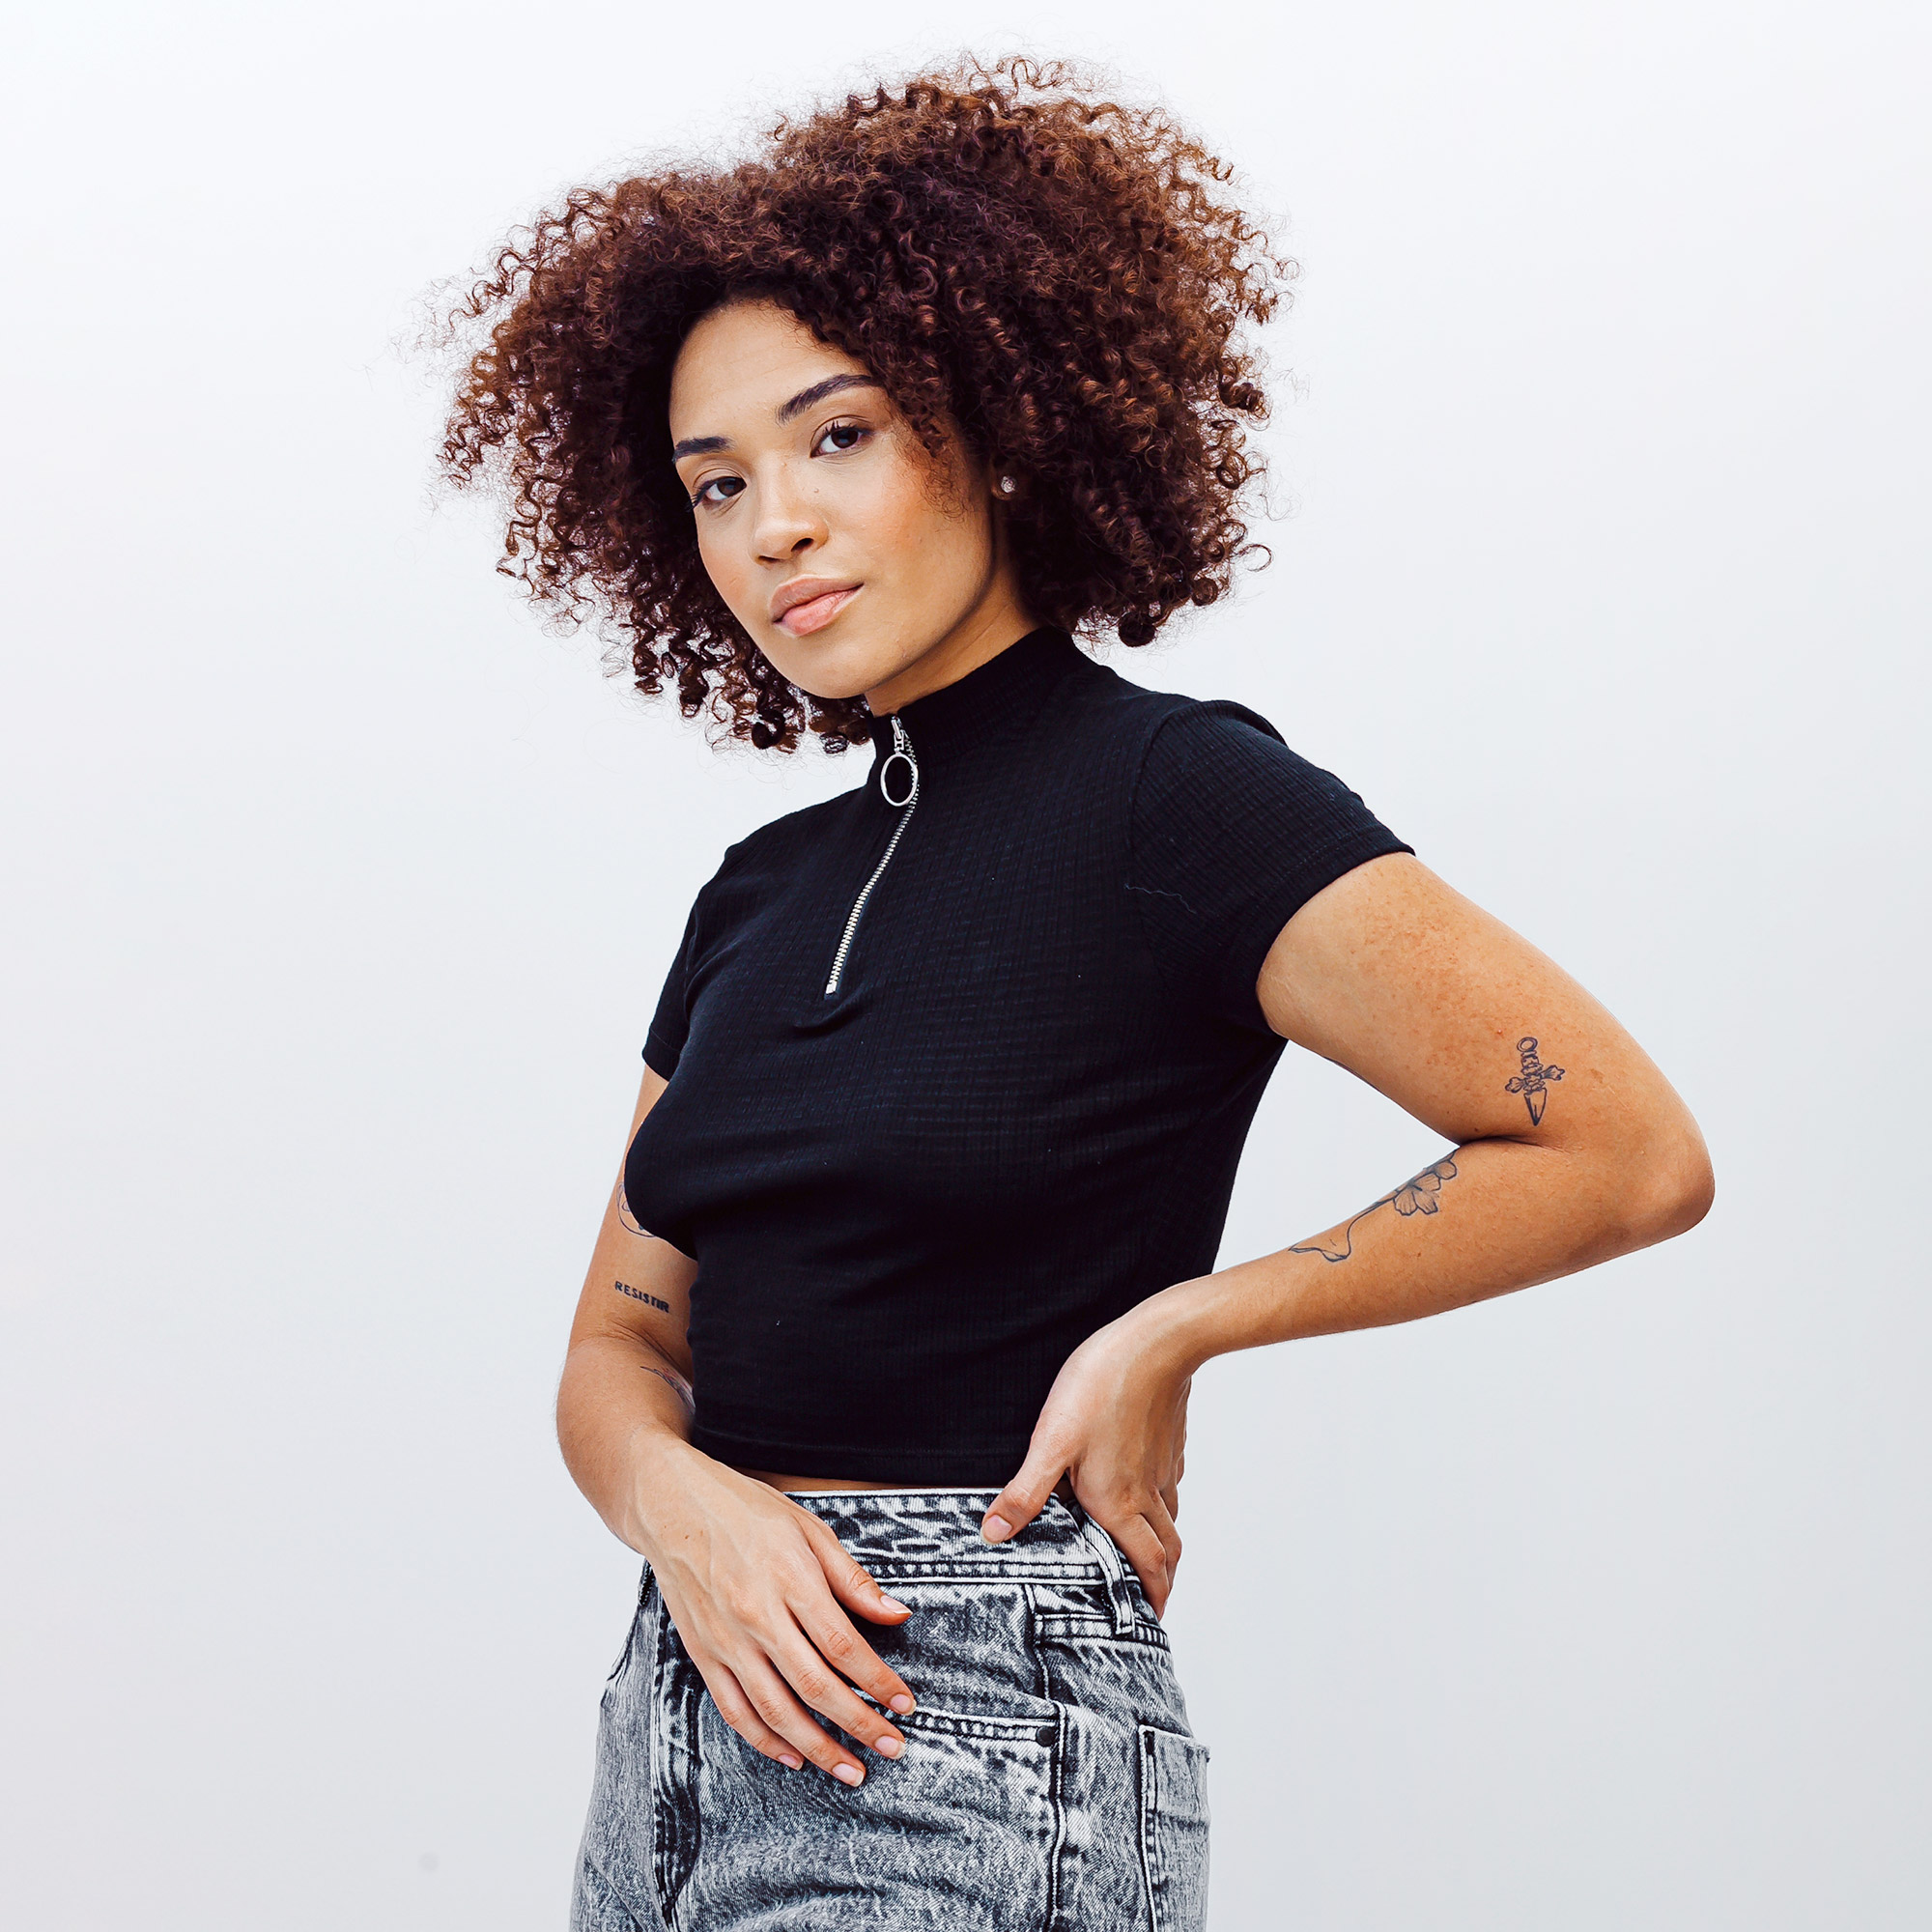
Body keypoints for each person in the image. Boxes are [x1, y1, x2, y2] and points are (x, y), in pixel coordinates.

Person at [439, 57, 1714, 1932]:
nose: (772, 524)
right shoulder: (756, 892)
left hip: (964, 1718)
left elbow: (1620, 1147)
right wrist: (677, 1505)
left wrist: (1174, 1329)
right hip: (676, 1723)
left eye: (836, 437)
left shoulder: (1177, 801)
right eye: (717, 483)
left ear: (1002, 424)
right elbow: (618, 1341)